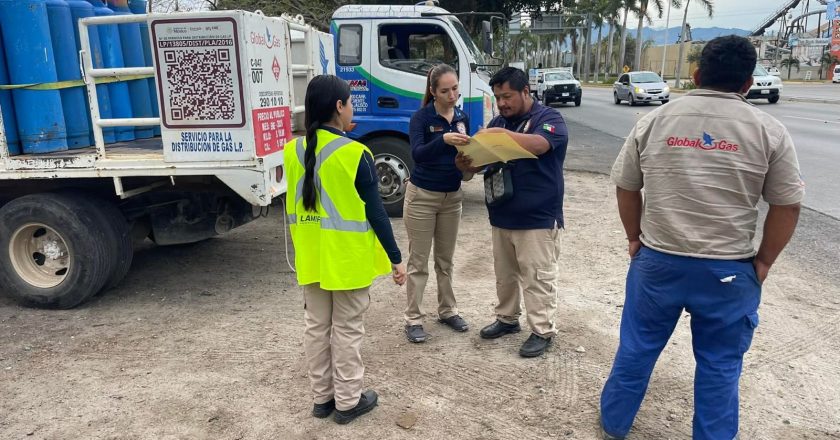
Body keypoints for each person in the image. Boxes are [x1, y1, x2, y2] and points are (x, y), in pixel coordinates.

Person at [599, 35, 804, 440]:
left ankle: (614, 424)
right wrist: (763, 262)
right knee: (720, 364)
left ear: (695, 76)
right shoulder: (769, 130)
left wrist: (634, 237)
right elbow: (788, 205)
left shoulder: (656, 120)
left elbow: (625, 185)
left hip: (659, 262)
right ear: (747, 83)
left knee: (637, 349)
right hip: (728, 271)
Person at [284, 75, 407, 425]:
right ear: (339, 107)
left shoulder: (292, 151)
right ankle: (349, 402)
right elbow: (377, 213)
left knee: (317, 328)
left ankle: (322, 399)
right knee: (347, 331)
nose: (351, 107)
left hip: (312, 259)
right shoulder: (355, 154)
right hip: (348, 260)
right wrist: (396, 259)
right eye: (350, 101)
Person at [456, 67, 569, 358]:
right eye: (497, 98)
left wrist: (499, 135)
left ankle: (542, 330)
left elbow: (541, 145)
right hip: (502, 214)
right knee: (505, 275)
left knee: (537, 277)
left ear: (525, 92)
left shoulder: (548, 119)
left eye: (507, 96)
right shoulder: (497, 121)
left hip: (538, 218)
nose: (502, 103)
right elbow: (478, 165)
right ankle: (507, 319)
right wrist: (467, 161)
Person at [403, 64, 472, 343]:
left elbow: (467, 153)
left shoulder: (463, 117)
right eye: (445, 91)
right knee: (418, 261)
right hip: (422, 197)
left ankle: (448, 310)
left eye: (455, 88)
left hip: (452, 197)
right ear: (433, 92)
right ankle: (413, 318)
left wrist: (468, 161)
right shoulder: (421, 118)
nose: (452, 95)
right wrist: (442, 140)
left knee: (445, 261)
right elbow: (418, 154)